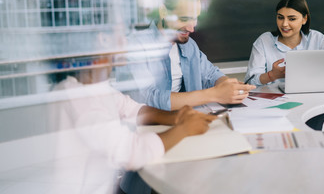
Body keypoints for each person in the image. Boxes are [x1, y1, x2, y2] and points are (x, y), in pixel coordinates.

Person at [50, 55, 217, 193]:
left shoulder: (93, 88)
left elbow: (132, 109)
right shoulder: (77, 97)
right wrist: (183, 130)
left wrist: (176, 117)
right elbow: (131, 152)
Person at [138, 0, 256, 111]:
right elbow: (148, 99)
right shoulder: (137, 47)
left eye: (195, 18)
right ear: (163, 12)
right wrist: (214, 94)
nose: (191, 29)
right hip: (153, 125)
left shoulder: (189, 45)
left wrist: (228, 86)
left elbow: (210, 74)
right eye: (184, 19)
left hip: (188, 118)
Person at [245, 0, 324, 86]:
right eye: (280, 17)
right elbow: (250, 81)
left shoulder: (318, 39)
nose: (284, 24)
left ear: (304, 19)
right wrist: (272, 75)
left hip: (313, 95)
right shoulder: (264, 41)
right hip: (275, 99)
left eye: (292, 19)